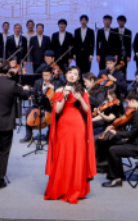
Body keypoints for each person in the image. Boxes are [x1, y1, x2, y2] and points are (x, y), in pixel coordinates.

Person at [45, 67, 96, 203]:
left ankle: (76, 189)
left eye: (75, 74)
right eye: (70, 73)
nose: (72, 75)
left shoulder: (82, 91)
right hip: (63, 126)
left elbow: (87, 111)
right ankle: (61, 188)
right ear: (66, 74)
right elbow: (57, 111)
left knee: (77, 156)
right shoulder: (59, 90)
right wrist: (64, 96)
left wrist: (80, 99)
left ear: (78, 77)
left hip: (78, 127)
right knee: (63, 155)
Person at [0, 59, 32, 189]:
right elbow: (25, 95)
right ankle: (0, 180)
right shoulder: (12, 84)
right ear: (8, 70)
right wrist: (25, 89)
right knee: (4, 152)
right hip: (6, 123)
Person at [100, 90, 138, 188]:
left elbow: (132, 133)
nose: (127, 105)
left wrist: (116, 133)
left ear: (133, 100)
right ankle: (119, 175)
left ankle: (116, 179)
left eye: (128, 102)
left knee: (113, 150)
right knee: (114, 146)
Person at [21, 64, 58, 143]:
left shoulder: (56, 83)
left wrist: (53, 88)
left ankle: (49, 136)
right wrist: (30, 95)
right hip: (38, 105)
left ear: (51, 74)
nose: (45, 77)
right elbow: (32, 92)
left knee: (54, 115)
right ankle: (28, 135)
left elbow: (61, 94)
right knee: (28, 111)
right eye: (43, 75)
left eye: (47, 75)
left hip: (50, 106)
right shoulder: (38, 82)